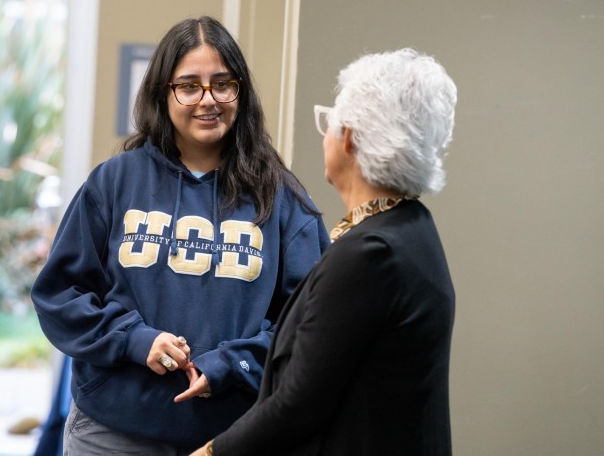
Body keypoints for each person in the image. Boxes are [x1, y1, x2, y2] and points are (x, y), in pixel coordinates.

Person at [30, 15, 330, 455]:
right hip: (113, 432)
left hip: (232, 437)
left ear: (240, 92)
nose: (208, 100)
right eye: (189, 85)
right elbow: (59, 295)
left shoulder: (280, 197)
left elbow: (309, 323)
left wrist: (231, 364)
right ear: (162, 94)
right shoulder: (115, 182)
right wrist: (136, 339)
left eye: (222, 84)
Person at [191, 47, 458, 455]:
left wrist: (211, 453)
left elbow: (298, 402)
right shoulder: (411, 227)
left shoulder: (370, 255)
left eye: (330, 122)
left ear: (349, 138)